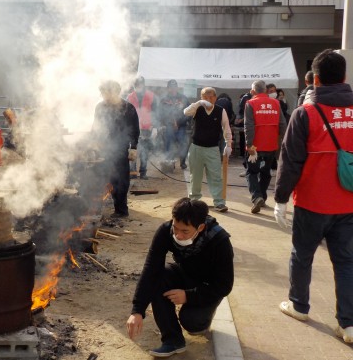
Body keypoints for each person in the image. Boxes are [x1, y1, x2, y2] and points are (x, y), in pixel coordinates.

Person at [273, 49, 353, 344]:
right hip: (349, 202)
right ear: (344, 77)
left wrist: (280, 199)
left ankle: (298, 305)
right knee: (346, 261)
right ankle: (349, 324)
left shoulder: (305, 113)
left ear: (315, 79)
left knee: (302, 255)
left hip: (312, 202)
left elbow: (290, 160)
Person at [126, 198, 234, 358]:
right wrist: (137, 310)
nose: (178, 235)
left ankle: (205, 316)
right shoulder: (165, 231)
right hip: (185, 273)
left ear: (201, 227)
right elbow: (151, 270)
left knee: (192, 322)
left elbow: (224, 286)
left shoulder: (219, 241)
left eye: (185, 231)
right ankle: (172, 340)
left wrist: (188, 296)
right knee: (160, 276)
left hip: (208, 286)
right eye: (176, 228)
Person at [92, 80, 140, 218]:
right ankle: (102, 207)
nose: (103, 96)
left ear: (115, 92)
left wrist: (134, 147)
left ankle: (121, 210)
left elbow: (134, 129)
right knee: (108, 179)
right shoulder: (100, 107)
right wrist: (93, 143)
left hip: (120, 148)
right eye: (102, 93)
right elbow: (95, 127)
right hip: (104, 149)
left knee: (121, 180)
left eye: (105, 93)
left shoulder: (128, 108)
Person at [183, 87, 232, 213]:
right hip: (196, 148)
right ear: (201, 97)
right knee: (195, 176)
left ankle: (219, 202)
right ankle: (194, 201)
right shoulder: (197, 108)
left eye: (211, 97)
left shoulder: (221, 111)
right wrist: (199, 103)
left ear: (215, 98)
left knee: (216, 177)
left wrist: (228, 144)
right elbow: (185, 112)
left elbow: (226, 128)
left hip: (213, 149)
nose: (208, 99)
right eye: (205, 97)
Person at [244, 80, 286, 214]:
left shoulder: (250, 103)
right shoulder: (276, 103)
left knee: (252, 172)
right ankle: (262, 196)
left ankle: (257, 197)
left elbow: (249, 126)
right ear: (266, 91)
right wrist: (284, 141)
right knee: (266, 172)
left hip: (255, 146)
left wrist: (249, 144)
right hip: (271, 145)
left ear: (253, 91)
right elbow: (283, 124)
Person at [127, 76, 157, 179]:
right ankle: (133, 172)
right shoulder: (130, 97)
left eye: (139, 85)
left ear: (143, 85)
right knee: (133, 149)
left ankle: (143, 172)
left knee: (144, 151)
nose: (138, 87)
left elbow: (156, 113)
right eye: (136, 85)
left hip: (147, 127)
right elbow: (126, 113)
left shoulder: (151, 96)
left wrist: (155, 127)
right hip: (133, 127)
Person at [159, 79, 190, 169]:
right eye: (171, 87)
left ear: (177, 87)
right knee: (168, 143)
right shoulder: (163, 99)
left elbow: (189, 112)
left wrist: (181, 122)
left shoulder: (183, 98)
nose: (173, 89)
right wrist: (166, 122)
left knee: (183, 143)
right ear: (168, 88)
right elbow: (160, 113)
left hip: (181, 125)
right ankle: (169, 163)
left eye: (174, 87)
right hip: (169, 125)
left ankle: (183, 162)